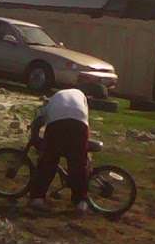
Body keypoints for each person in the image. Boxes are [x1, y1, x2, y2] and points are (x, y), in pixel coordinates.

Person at [27, 84, 105, 214]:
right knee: (78, 164)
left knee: (48, 162)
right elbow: (84, 120)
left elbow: (38, 120)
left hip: (56, 124)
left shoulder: (54, 98)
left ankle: (37, 198)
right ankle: (80, 202)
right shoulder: (81, 97)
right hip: (78, 124)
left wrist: (35, 138)